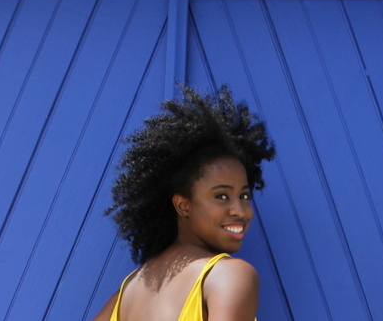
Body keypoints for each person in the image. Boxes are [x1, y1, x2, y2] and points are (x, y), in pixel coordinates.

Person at [93, 85, 275, 321]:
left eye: (244, 196)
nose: (239, 210)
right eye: (221, 196)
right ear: (183, 205)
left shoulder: (129, 289)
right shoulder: (229, 276)